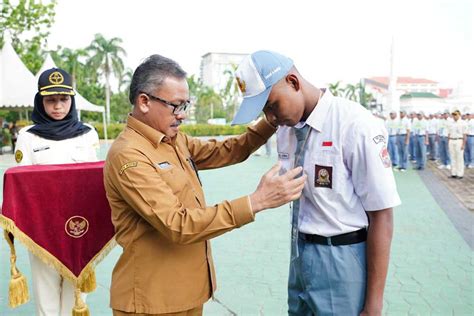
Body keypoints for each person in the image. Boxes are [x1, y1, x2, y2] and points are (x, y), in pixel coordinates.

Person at [103, 54, 306, 316]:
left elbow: (228, 150)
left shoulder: (174, 140)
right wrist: (256, 202)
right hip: (152, 300)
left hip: (187, 292)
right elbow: (178, 224)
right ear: (144, 102)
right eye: (176, 106)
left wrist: (270, 120)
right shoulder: (129, 155)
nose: (183, 115)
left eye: (185, 105)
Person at [232, 50, 401, 315]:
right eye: (264, 112)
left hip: (342, 257)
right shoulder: (287, 130)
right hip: (300, 253)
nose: (271, 119)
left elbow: (382, 215)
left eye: (272, 105)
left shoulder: (355, 125)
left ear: (293, 82)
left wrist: (374, 304)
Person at [14, 67, 99, 315]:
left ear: (71, 100)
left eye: (63, 99)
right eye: (50, 100)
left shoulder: (87, 134)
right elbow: (22, 186)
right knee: (47, 293)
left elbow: (93, 181)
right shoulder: (27, 137)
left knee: (76, 293)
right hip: (42, 226)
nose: (58, 106)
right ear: (40, 102)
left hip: (80, 225)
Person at [447, 109, 467, 179]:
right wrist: (448, 142)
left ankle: (460, 174)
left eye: (455, 115)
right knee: (452, 157)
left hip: (459, 140)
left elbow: (465, 134)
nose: (454, 116)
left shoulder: (463, 123)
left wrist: (463, 144)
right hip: (451, 140)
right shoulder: (450, 123)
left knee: (459, 158)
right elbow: (449, 133)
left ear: (459, 115)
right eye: (453, 115)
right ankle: (453, 173)